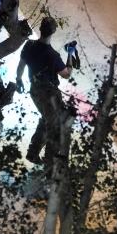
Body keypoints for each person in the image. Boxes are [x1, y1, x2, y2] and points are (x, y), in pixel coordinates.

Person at [16, 17, 73, 165]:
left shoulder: (29, 45)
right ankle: (49, 164)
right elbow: (66, 74)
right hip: (50, 96)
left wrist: (19, 79)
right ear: (53, 32)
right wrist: (71, 55)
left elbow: (21, 65)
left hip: (34, 91)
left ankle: (33, 153)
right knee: (55, 128)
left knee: (46, 120)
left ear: (41, 29)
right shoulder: (53, 55)